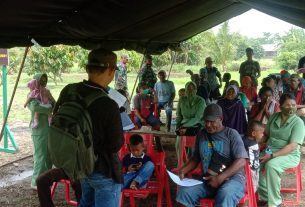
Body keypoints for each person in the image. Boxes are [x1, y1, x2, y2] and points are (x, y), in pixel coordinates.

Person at [54, 49, 124, 207]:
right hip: (103, 170)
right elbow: (116, 144)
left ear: (87, 68)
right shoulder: (108, 104)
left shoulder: (68, 91)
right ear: (111, 70)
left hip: (79, 165)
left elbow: (57, 121)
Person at [176, 104, 248, 207]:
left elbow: (241, 161)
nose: (208, 125)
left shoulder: (231, 134)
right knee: (185, 192)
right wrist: (184, 170)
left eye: (212, 121)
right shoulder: (201, 134)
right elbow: (196, 158)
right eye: (206, 121)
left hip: (232, 178)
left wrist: (220, 178)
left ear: (221, 119)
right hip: (208, 179)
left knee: (225, 194)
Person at [258, 93, 305, 207]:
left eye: (293, 105)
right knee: (254, 165)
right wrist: (255, 142)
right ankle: (266, 197)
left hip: (289, 154)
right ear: (281, 105)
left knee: (271, 165)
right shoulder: (274, 117)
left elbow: (293, 146)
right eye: (287, 105)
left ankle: (275, 203)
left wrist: (272, 155)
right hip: (270, 150)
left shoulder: (298, 122)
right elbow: (267, 135)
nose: (291, 108)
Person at [27, 73, 53, 190]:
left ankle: (46, 180)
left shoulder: (46, 92)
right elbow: (35, 107)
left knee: (48, 156)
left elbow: (55, 105)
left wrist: (50, 98)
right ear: (36, 81)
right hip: (38, 130)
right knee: (40, 156)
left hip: (48, 130)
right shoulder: (32, 94)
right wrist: (49, 108)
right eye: (41, 80)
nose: (43, 82)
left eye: (44, 80)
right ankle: (36, 182)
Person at [175, 81, 206, 159]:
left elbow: (198, 118)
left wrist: (184, 126)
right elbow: (178, 115)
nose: (190, 91)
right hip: (183, 125)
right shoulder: (182, 99)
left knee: (192, 146)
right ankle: (180, 164)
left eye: (193, 89)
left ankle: (191, 162)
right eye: (188, 89)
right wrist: (178, 126)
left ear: (196, 90)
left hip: (197, 126)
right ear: (185, 90)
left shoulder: (201, 101)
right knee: (179, 142)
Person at [242, 121, 264, 193]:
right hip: (252, 170)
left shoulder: (243, 140)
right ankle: (250, 200)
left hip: (245, 169)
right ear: (254, 133)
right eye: (261, 133)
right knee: (253, 186)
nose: (263, 135)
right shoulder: (253, 144)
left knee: (247, 185)